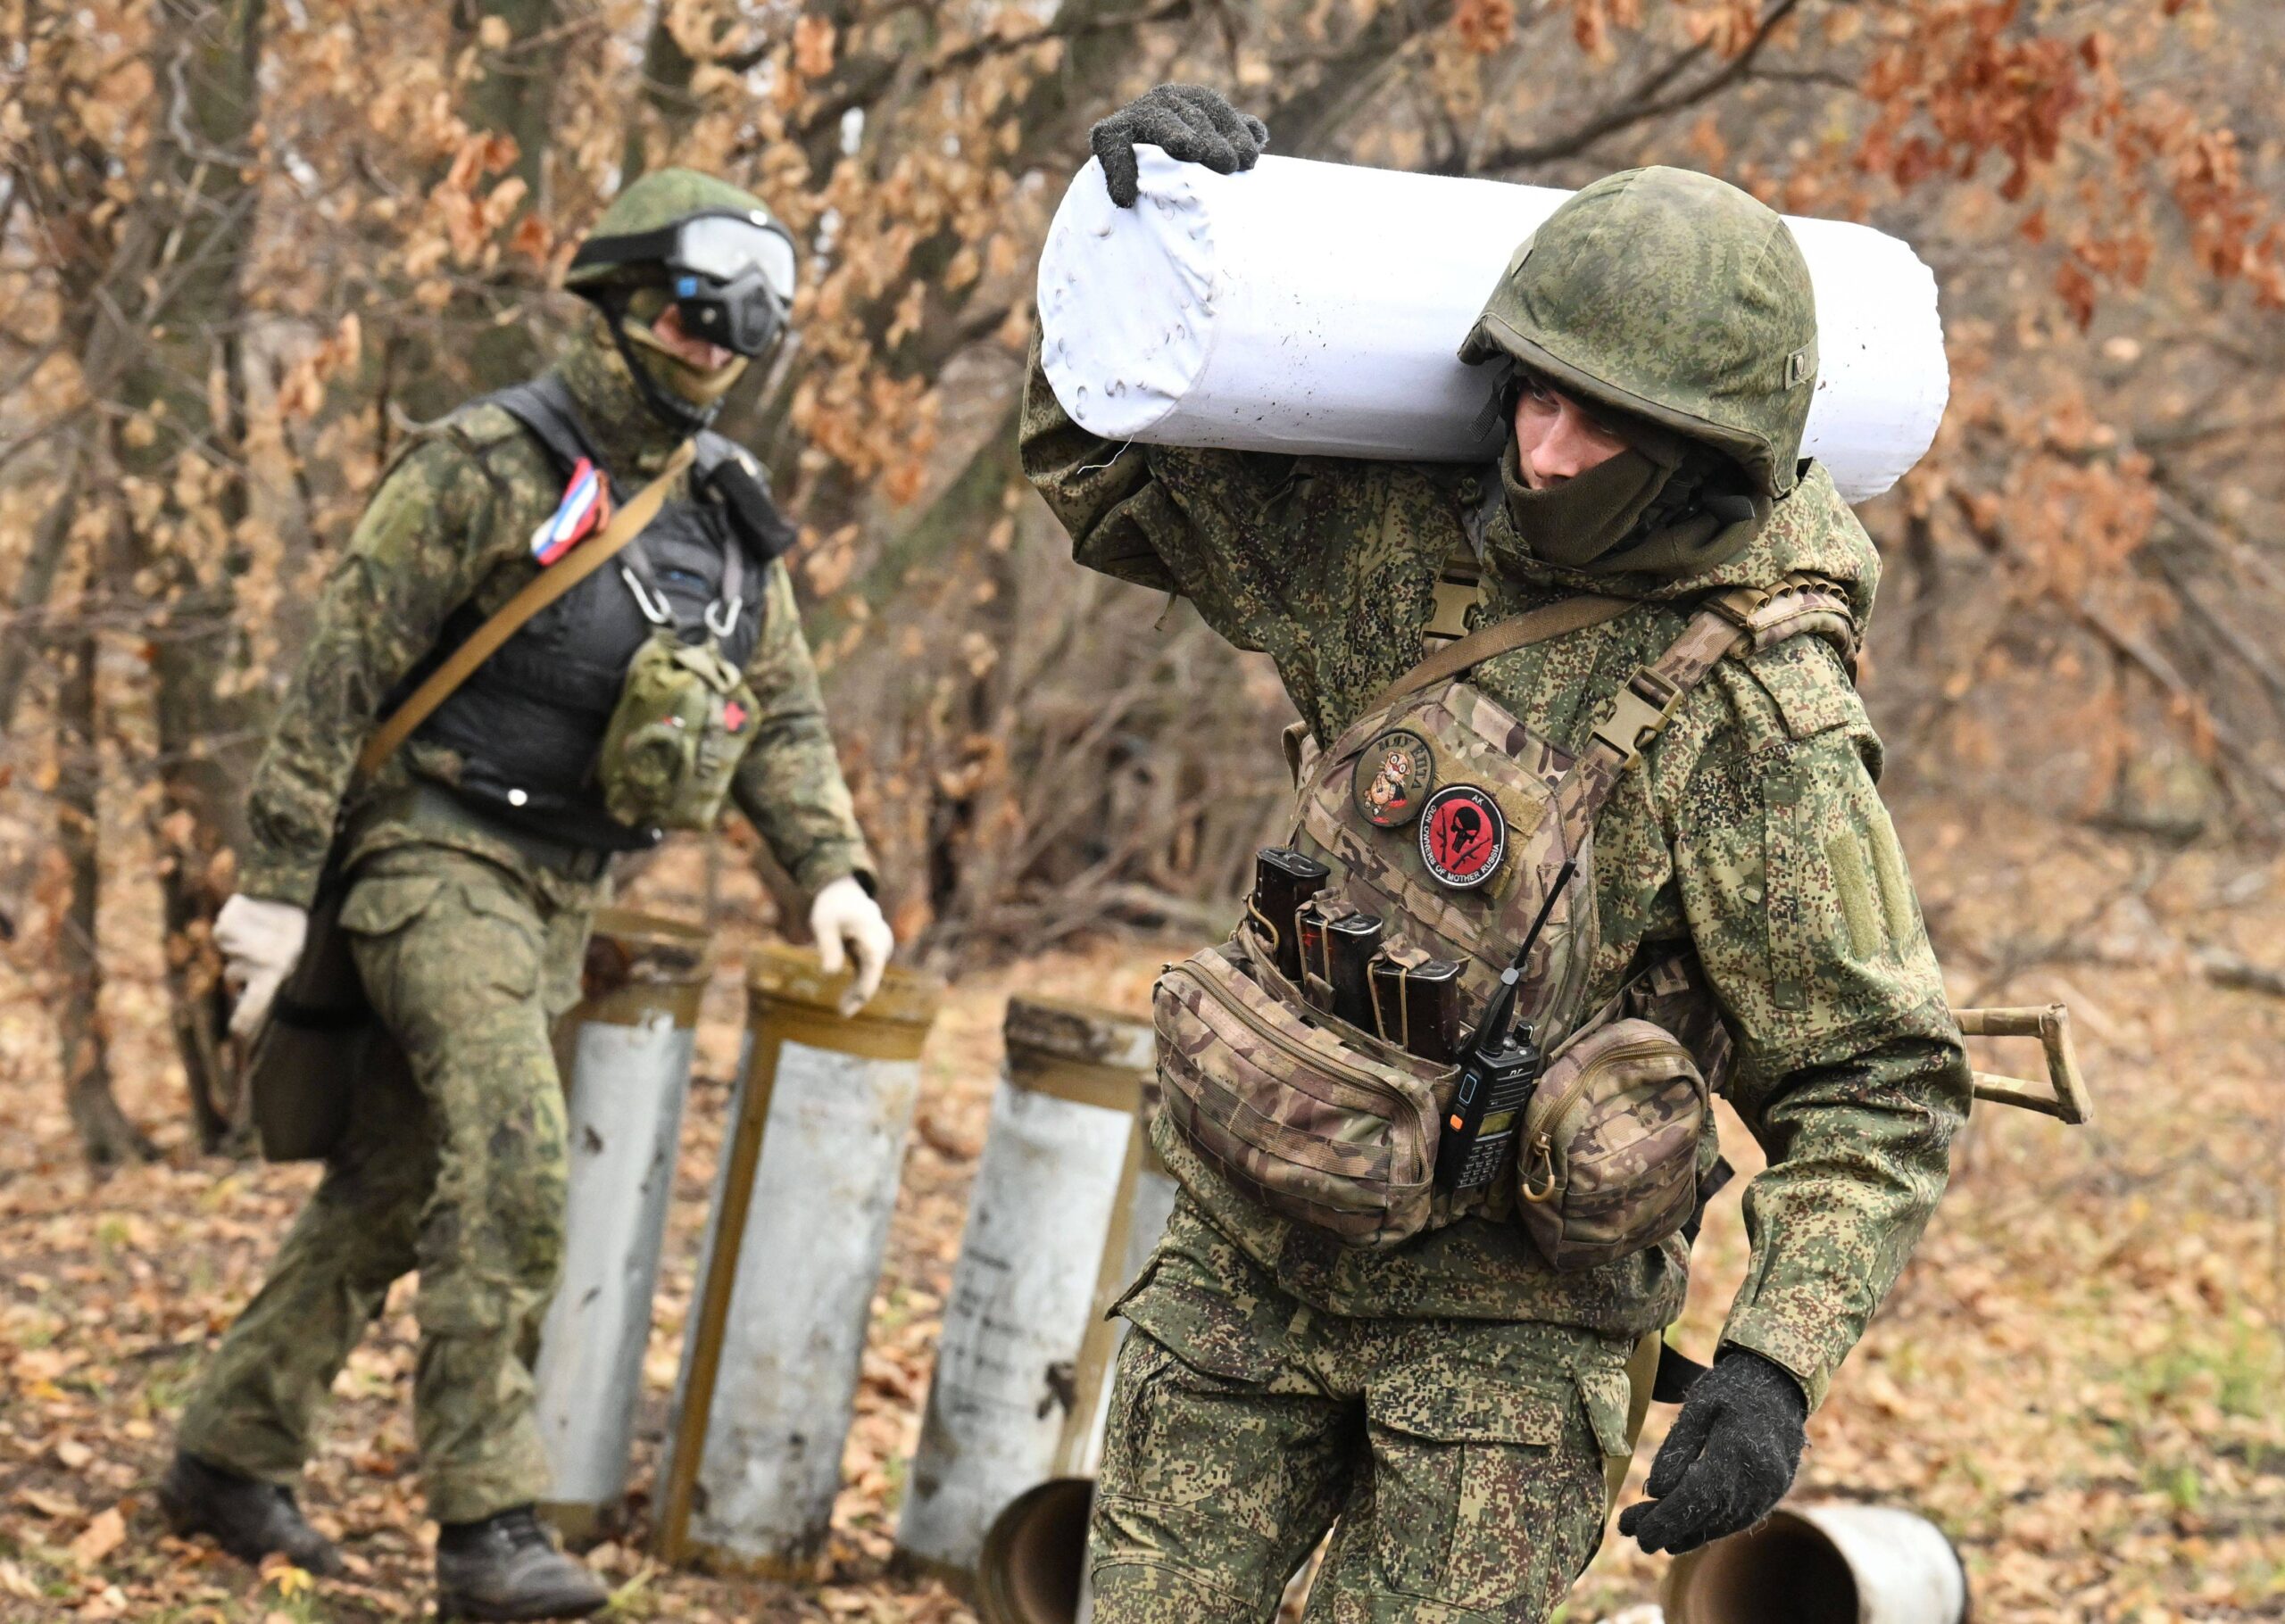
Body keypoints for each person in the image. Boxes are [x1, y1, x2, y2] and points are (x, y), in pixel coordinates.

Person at [1023, 86, 1973, 1622]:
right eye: (1531, 391)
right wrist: (1146, 226)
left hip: (1509, 1354)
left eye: (1599, 423)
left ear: (1703, 460)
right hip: (1251, 1263)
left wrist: (1774, 1366)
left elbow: (1879, 1076)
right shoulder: (1398, 546)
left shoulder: (1757, 718)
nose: (1541, 449)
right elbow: (1103, 464)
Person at [161, 168, 893, 1621]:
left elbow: (784, 719)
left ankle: (226, 1460)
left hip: (559, 894)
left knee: (386, 1190)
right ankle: (488, 1528)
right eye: (692, 310)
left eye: (743, 327)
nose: (711, 348)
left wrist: (833, 872)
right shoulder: (488, 465)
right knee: (511, 1162)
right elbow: (340, 673)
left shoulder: (729, 522)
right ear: (620, 295)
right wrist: (275, 891)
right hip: (431, 860)